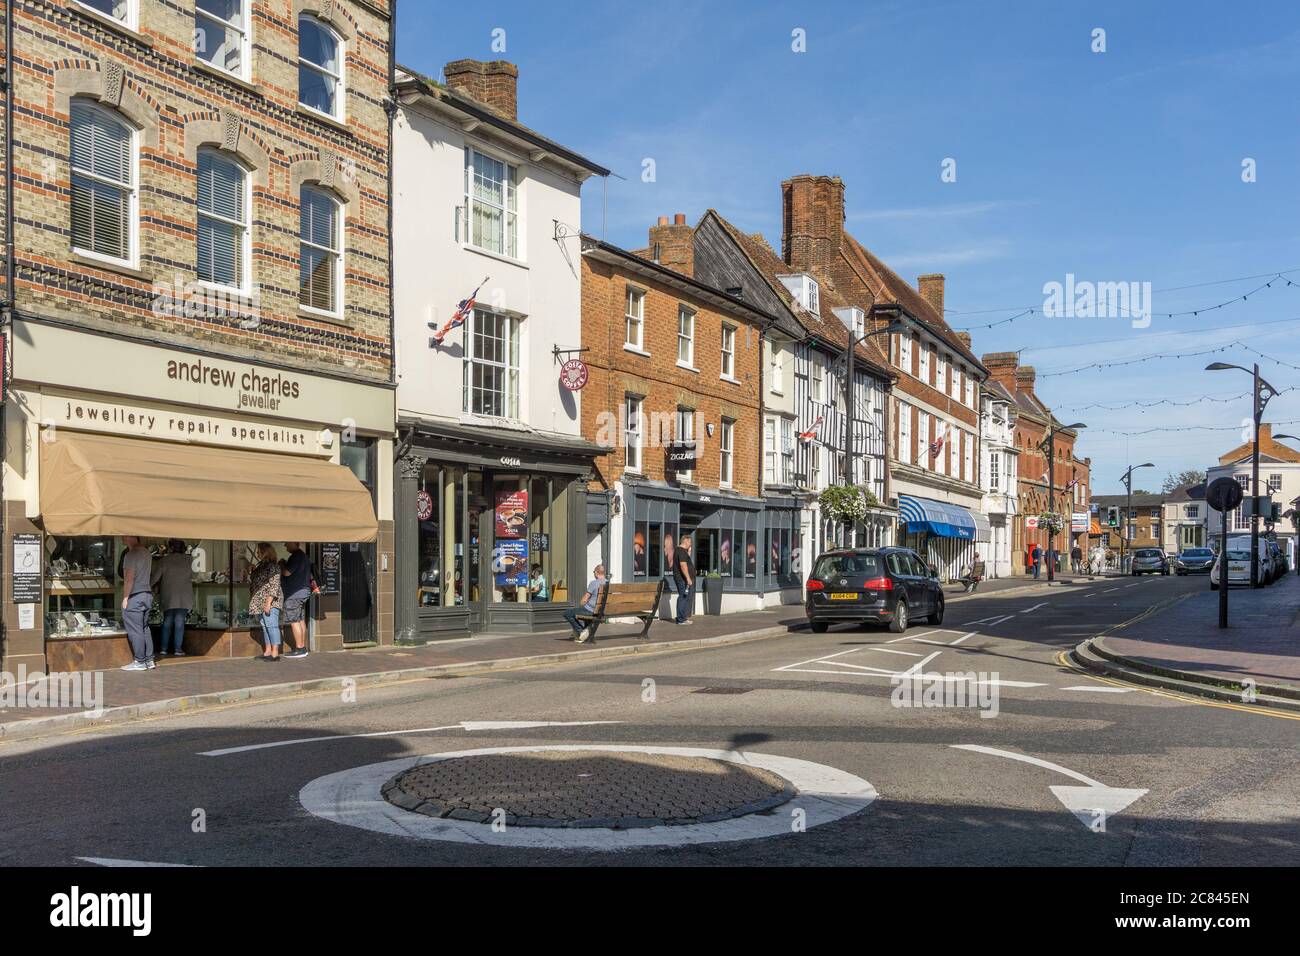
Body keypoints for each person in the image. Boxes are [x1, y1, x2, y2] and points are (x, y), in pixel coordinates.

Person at [151, 539, 194, 657]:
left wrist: (148, 586)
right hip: (184, 595)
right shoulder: (189, 560)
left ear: (170, 548)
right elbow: (195, 575)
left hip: (168, 595)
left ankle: (164, 649)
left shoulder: (164, 560)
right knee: (180, 622)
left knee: (167, 621)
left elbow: (156, 577)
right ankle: (178, 649)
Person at [119, 536, 155, 671]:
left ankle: (139, 661)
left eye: (124, 534)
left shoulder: (131, 555)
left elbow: (129, 579)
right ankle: (149, 659)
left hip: (135, 595)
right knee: (145, 628)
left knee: (135, 630)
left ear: (131, 536)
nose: (122, 536)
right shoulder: (146, 553)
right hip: (147, 594)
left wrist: (125, 598)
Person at [250, 542, 284, 661]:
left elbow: (274, 585)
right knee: (265, 627)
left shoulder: (273, 566)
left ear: (265, 552)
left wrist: (268, 603)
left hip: (270, 601)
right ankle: (268, 651)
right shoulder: (262, 565)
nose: (258, 553)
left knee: (272, 626)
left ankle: (275, 653)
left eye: (259, 551)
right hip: (260, 600)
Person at [279, 542, 312, 658]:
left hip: (295, 593)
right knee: (300, 619)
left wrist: (282, 565)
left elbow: (287, 573)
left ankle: (299, 649)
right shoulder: (302, 555)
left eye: (287, 544)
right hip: (303, 591)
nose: (285, 546)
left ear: (294, 543)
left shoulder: (296, 556)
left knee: (294, 621)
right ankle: (302, 647)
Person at [563, 564, 606, 643]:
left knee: (567, 613)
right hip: (601, 612)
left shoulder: (594, 583)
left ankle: (581, 632)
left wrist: (581, 604)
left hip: (591, 610)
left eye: (594, 572)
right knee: (578, 612)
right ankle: (585, 631)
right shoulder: (608, 583)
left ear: (596, 572)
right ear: (603, 573)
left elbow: (584, 600)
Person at [673, 535, 696, 625]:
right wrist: (688, 578)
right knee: (683, 597)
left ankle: (682, 618)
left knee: (684, 597)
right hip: (683, 579)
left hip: (682, 579)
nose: (690, 544)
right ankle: (681, 619)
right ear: (685, 541)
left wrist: (688, 553)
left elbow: (684, 562)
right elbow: (683, 565)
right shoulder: (681, 551)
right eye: (690, 542)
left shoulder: (681, 551)